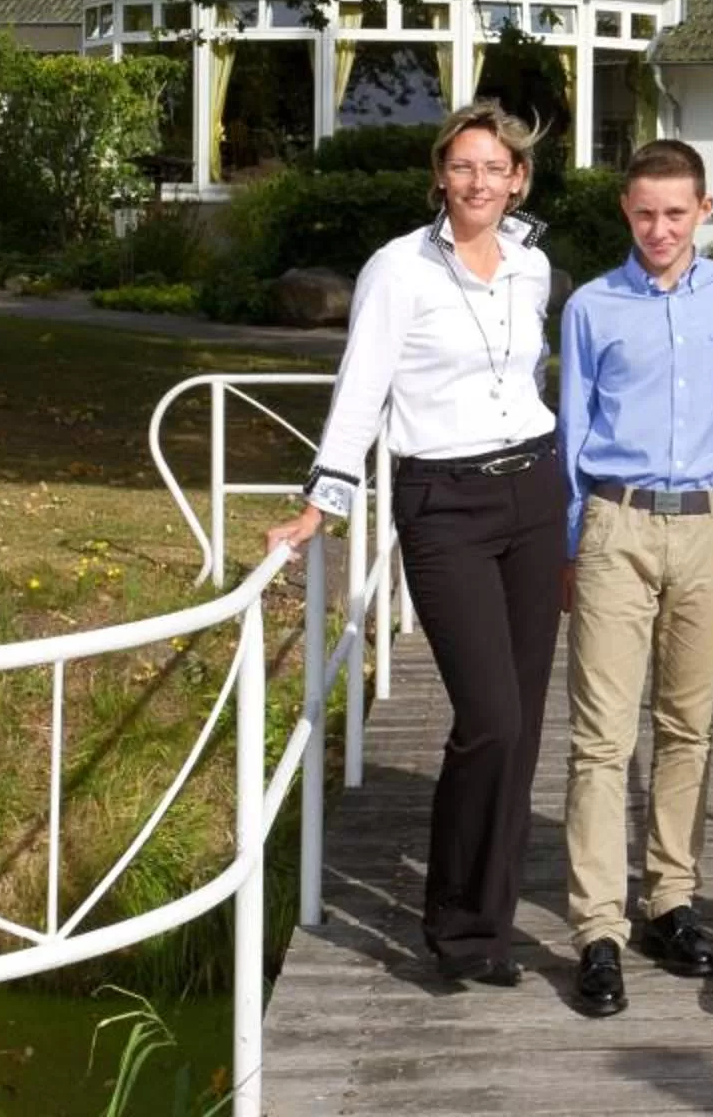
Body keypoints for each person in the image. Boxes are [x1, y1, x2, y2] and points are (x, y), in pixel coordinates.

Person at [266, 100, 558, 988]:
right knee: (489, 716)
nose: (479, 182)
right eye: (462, 166)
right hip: (445, 502)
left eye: (494, 168)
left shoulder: (534, 266)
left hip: (535, 492)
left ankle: (488, 923)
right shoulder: (398, 268)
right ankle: (455, 924)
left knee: (525, 725)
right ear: (441, 175)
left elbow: (534, 379)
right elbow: (363, 388)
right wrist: (326, 498)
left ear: (518, 179)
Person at [554, 139, 713, 1018]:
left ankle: (669, 901)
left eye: (677, 213)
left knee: (689, 726)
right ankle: (597, 927)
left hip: (709, 526)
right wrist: (572, 544)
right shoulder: (592, 306)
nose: (660, 229)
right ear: (625, 213)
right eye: (645, 214)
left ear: (703, 212)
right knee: (601, 738)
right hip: (615, 522)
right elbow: (571, 427)